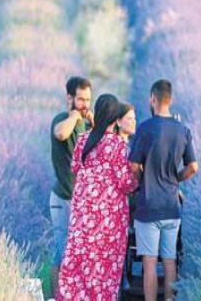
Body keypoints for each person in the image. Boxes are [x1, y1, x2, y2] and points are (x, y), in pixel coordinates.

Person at [57, 94, 138, 300]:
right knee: (105, 269)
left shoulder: (83, 139)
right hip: (109, 219)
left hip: (83, 214)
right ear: (115, 118)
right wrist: (138, 178)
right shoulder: (118, 145)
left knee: (79, 263)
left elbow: (75, 168)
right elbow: (125, 183)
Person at [128, 80, 197, 301]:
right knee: (169, 260)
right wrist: (175, 179)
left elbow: (133, 166)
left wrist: (143, 180)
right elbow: (193, 167)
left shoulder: (144, 128)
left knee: (149, 262)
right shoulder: (183, 130)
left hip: (148, 205)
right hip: (171, 205)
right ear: (171, 100)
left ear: (152, 99)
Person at [49, 76, 93, 292]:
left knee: (80, 254)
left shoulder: (87, 124)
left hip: (81, 202)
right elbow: (61, 133)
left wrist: (94, 122)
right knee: (62, 252)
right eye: (81, 99)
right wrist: (74, 115)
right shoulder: (62, 119)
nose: (85, 105)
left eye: (88, 100)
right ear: (70, 98)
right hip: (63, 199)